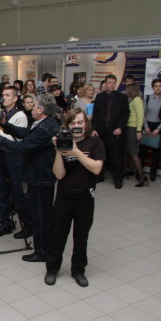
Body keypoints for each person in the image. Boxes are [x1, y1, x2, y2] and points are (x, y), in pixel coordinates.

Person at [0, 94, 59, 262]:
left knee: (41, 216)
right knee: (40, 213)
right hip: (38, 175)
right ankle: (42, 248)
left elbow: (22, 147)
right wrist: (5, 124)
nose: (31, 108)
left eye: (34, 106)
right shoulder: (44, 123)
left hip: (41, 177)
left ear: (40, 110)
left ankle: (42, 252)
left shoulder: (45, 128)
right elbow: (25, 133)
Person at [44, 108, 105, 287]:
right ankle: (52, 269)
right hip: (64, 196)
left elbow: (96, 169)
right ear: (67, 126)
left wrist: (76, 152)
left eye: (80, 122)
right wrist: (59, 150)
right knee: (57, 235)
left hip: (85, 197)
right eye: (73, 123)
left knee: (81, 237)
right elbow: (59, 175)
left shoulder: (95, 142)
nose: (77, 126)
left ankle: (78, 270)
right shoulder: (63, 142)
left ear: (86, 124)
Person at [0, 87, 34, 239]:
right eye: (3, 95)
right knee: (1, 191)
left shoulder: (20, 115)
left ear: (15, 98)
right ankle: (6, 223)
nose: (4, 97)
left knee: (18, 194)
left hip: (14, 157)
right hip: (1, 154)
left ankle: (28, 225)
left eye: (8, 95)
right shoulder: (2, 113)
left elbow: (18, 139)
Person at [91, 74, 130, 189]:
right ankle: (100, 176)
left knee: (116, 157)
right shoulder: (100, 97)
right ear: (105, 83)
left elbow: (125, 114)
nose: (112, 85)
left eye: (114, 83)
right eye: (109, 82)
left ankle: (117, 179)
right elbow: (95, 114)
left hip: (115, 131)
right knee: (101, 155)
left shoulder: (122, 97)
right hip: (102, 131)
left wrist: (120, 127)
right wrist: (94, 128)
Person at [138, 78, 161, 181]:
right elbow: (142, 114)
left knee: (156, 152)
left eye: (160, 86)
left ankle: (153, 174)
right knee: (142, 151)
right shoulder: (147, 98)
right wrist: (146, 127)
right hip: (147, 125)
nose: (158, 88)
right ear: (153, 87)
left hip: (159, 126)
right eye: (156, 86)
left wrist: (158, 129)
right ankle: (139, 173)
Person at [125, 83, 147, 187]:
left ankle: (142, 176)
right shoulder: (132, 100)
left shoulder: (137, 100)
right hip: (129, 127)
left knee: (133, 152)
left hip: (133, 128)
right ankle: (128, 171)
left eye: (127, 89)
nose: (126, 91)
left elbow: (141, 116)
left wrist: (138, 131)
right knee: (128, 151)